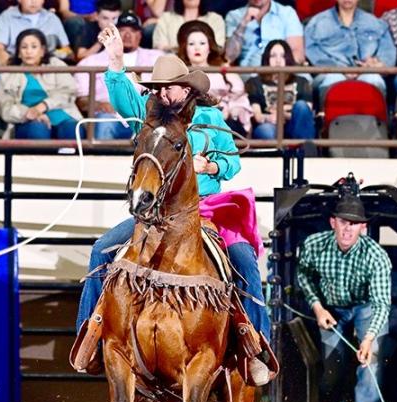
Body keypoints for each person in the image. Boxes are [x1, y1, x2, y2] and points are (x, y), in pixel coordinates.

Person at [77, 26, 272, 360]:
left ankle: (256, 342)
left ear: (186, 88)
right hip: (157, 212)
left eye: (170, 87)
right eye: (160, 88)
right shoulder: (151, 117)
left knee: (243, 260)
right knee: (101, 250)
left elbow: (232, 160)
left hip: (207, 207)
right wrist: (115, 62)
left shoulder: (209, 117)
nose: (165, 94)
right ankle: (91, 333)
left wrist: (209, 167)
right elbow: (125, 99)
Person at [296, 194, 393, 402]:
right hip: (331, 307)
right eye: (343, 222)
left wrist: (369, 338)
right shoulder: (314, 245)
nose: (348, 228)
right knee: (331, 369)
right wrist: (317, 307)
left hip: (365, 307)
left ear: (363, 227)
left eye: (354, 223)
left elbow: (381, 303)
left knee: (369, 362)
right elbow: (303, 274)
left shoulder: (376, 256)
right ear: (333, 223)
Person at [74, 11, 162, 140]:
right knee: (105, 123)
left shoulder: (157, 58)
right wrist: (100, 105)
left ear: (140, 34)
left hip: (146, 117)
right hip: (109, 118)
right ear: (112, 33)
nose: (127, 35)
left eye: (133, 30)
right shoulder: (89, 62)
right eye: (122, 30)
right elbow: (81, 101)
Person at [0, 29, 81, 139]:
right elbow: (5, 109)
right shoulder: (8, 75)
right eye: (24, 47)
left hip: (62, 114)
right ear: (19, 53)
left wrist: (43, 106)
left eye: (34, 47)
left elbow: (69, 92)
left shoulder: (56, 65)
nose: (29, 52)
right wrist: (30, 113)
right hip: (27, 120)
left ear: (42, 51)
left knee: (71, 129)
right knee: (38, 129)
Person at [304, 0, 397, 99]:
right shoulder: (317, 23)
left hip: (367, 71)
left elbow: (388, 52)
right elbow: (312, 52)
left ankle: (374, 114)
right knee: (334, 79)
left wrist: (378, 64)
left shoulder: (375, 23)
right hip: (331, 72)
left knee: (373, 79)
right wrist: (338, 69)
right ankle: (329, 113)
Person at [176, 20, 250, 136]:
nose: (197, 48)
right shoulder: (178, 72)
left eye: (202, 43)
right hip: (187, 122)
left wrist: (231, 110)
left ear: (209, 47)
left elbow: (239, 98)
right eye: (191, 44)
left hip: (222, 120)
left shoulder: (223, 71)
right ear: (185, 48)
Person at [244, 39, 315, 141]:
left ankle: (304, 153)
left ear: (288, 59)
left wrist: (281, 114)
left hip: (294, 125)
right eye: (273, 56)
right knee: (266, 130)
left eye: (282, 56)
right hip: (270, 124)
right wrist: (268, 118)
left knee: (301, 105)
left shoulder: (302, 82)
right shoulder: (255, 82)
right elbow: (257, 115)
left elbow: (305, 113)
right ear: (266, 59)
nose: (278, 60)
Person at [224, 0, 303, 70]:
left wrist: (278, 66)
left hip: (281, 68)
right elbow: (229, 57)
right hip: (250, 71)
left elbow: (298, 54)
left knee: (305, 78)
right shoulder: (234, 16)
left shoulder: (287, 13)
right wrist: (243, 23)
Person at [0, 0, 71, 65]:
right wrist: (1, 54)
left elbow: (67, 50)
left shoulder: (52, 18)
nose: (33, 1)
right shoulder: (6, 16)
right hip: (15, 66)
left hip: (47, 68)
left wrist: (59, 54)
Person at [152, 0, 224, 53]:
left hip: (206, 66)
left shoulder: (215, 19)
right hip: (173, 65)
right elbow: (159, 47)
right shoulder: (166, 17)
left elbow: (218, 48)